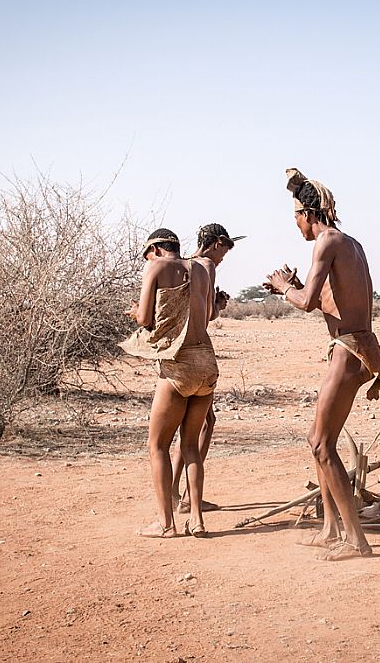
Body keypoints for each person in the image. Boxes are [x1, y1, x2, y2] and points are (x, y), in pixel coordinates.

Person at [265, 168, 380, 561]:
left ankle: (356, 540)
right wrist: (296, 288)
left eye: (296, 217)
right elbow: (326, 298)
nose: (296, 225)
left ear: (308, 214)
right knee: (319, 441)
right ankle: (332, 527)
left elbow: (305, 301)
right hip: (358, 347)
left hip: (349, 350)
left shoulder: (325, 242)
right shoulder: (350, 242)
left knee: (320, 443)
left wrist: (284, 287)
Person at [120, 229, 218, 538]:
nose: (146, 262)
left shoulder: (156, 267)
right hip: (207, 363)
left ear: (156, 249)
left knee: (157, 446)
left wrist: (136, 311)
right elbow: (210, 312)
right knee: (190, 447)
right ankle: (198, 521)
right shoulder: (204, 268)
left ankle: (165, 524)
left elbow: (145, 319)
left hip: (178, 364)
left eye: (146, 256)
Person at [170, 223, 245, 514]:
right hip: (199, 355)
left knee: (184, 428)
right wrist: (219, 304)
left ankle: (177, 494)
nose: (224, 256)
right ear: (215, 244)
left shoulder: (183, 265)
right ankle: (189, 496)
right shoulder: (207, 267)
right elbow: (208, 315)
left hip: (178, 353)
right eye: (225, 250)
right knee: (203, 425)